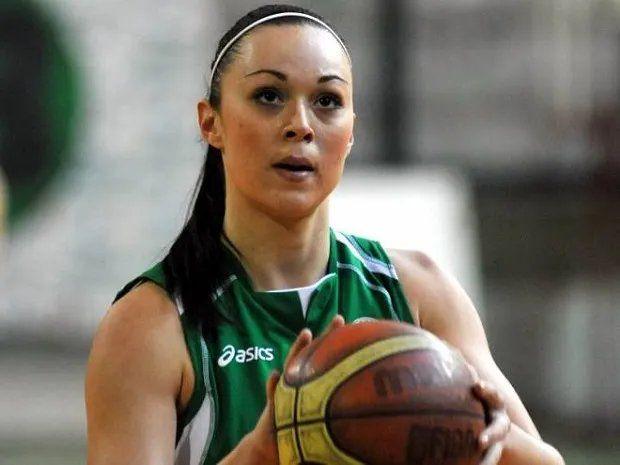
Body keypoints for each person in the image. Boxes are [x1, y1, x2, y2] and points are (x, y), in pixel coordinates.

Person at [85, 4, 565, 465]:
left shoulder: (420, 292)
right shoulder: (150, 325)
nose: (300, 125)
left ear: (351, 131)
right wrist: (261, 453)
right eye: (269, 96)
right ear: (212, 123)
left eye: (327, 101)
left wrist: (488, 436)